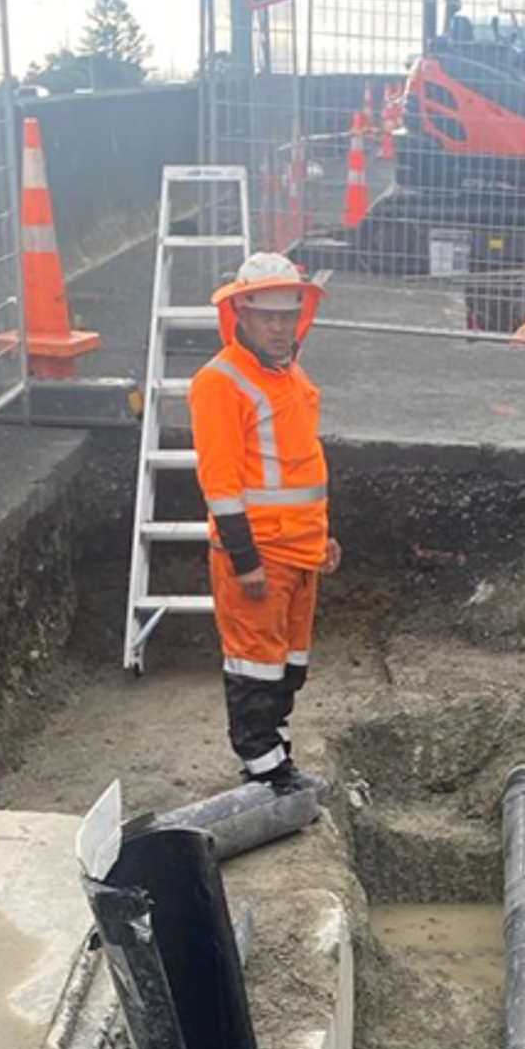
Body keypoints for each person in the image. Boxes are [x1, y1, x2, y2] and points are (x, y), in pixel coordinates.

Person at [189, 251, 340, 794]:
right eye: (269, 316)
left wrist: (322, 537)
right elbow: (221, 482)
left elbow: (300, 466)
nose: (281, 327)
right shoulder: (220, 382)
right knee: (255, 669)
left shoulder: (290, 375)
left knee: (287, 668)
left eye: (287, 315)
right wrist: (244, 558)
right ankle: (267, 773)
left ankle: (277, 759)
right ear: (243, 316)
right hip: (260, 556)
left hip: (300, 551)